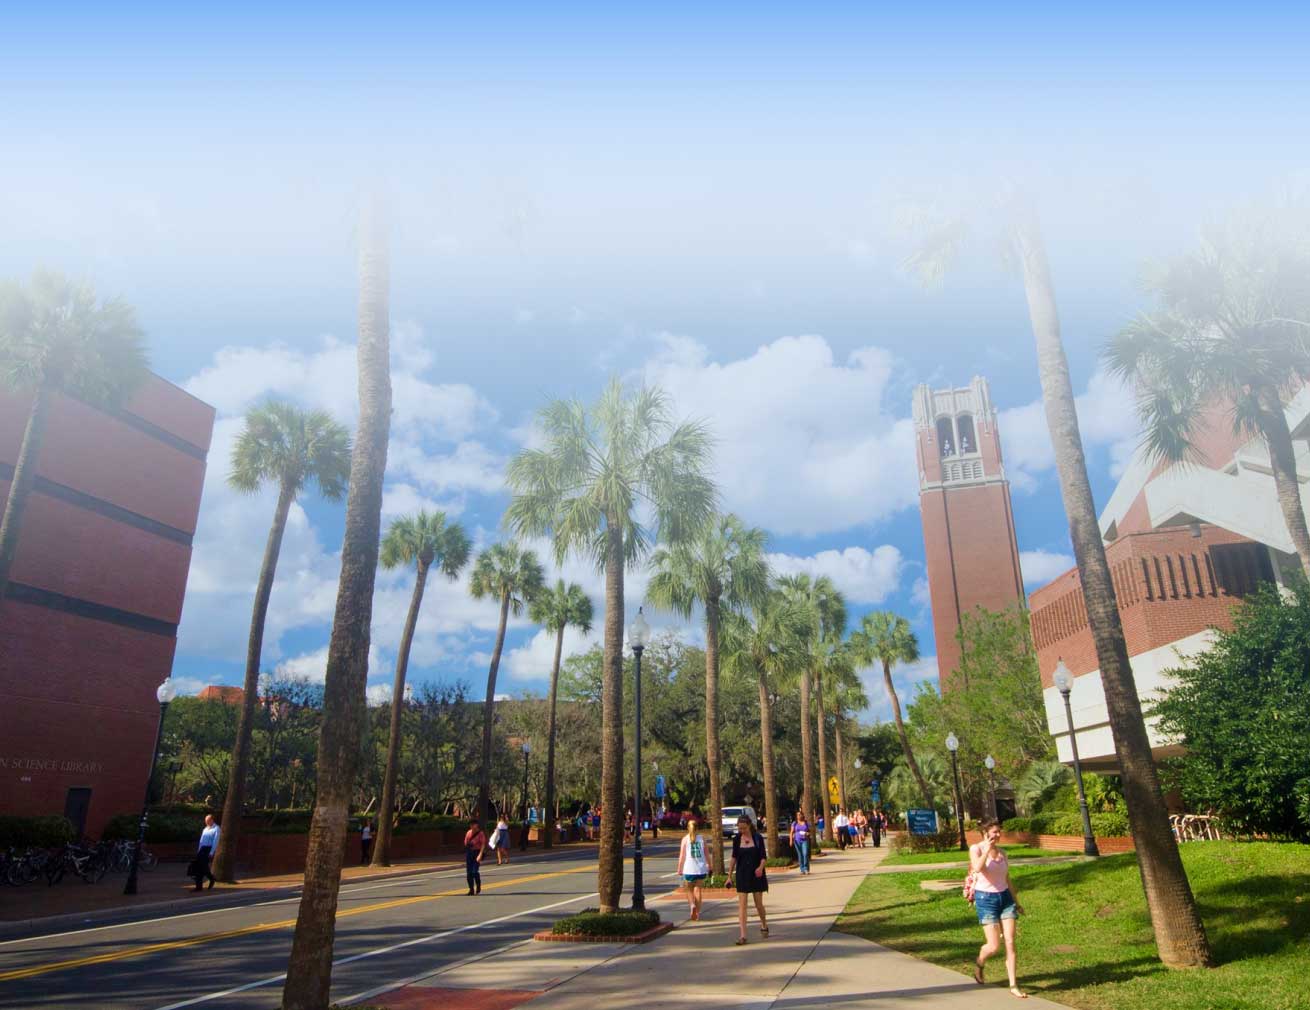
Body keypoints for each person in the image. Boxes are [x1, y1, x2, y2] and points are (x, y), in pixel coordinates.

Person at [970, 818, 1026, 998]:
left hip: (1005, 899)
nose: (998, 835)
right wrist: (987, 850)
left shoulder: (1003, 853)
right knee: (993, 946)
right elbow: (977, 868)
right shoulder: (976, 849)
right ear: (985, 833)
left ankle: (1013, 985)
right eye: (994, 832)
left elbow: (1007, 879)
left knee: (1010, 942)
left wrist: (1016, 902)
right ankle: (980, 962)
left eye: (999, 831)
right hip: (986, 899)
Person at [729, 815, 769, 944]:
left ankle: (764, 924)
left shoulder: (758, 838)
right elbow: (734, 857)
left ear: (750, 825)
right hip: (742, 874)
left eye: (744, 828)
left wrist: (760, 867)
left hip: (756, 874)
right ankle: (743, 935)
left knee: (758, 904)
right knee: (742, 906)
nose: (742, 831)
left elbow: (763, 857)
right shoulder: (736, 840)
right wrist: (729, 875)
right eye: (740, 828)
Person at [677, 817, 710, 921]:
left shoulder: (685, 839)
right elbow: (707, 854)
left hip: (689, 868)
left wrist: (680, 868)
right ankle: (698, 913)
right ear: (697, 828)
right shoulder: (702, 838)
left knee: (688, 889)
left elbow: (682, 855)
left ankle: (692, 905)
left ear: (688, 828)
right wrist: (710, 864)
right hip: (700, 868)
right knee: (698, 890)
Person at [191, 814, 219, 891]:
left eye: (208, 821)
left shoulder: (216, 829)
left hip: (208, 849)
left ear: (212, 820)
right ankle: (199, 886)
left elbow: (215, 841)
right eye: (205, 821)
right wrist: (198, 850)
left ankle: (211, 879)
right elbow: (201, 841)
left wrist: (212, 852)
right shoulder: (205, 829)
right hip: (202, 849)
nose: (206, 822)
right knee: (199, 867)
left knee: (204, 867)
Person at [463, 817, 486, 895]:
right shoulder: (468, 832)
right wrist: (468, 846)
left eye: (473, 824)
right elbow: (465, 843)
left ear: (477, 825)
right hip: (469, 853)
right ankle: (471, 889)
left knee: (474, 871)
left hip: (477, 852)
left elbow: (483, 844)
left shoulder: (480, 833)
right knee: (469, 872)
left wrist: (480, 854)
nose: (472, 826)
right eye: (471, 825)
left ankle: (478, 885)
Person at [790, 810, 812, 874]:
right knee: (800, 855)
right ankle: (802, 869)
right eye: (797, 815)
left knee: (805, 854)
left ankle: (806, 869)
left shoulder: (806, 823)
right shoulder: (794, 823)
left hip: (805, 840)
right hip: (797, 841)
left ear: (802, 815)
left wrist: (807, 833)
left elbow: (810, 831)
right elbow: (791, 832)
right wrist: (791, 840)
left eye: (800, 814)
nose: (799, 816)